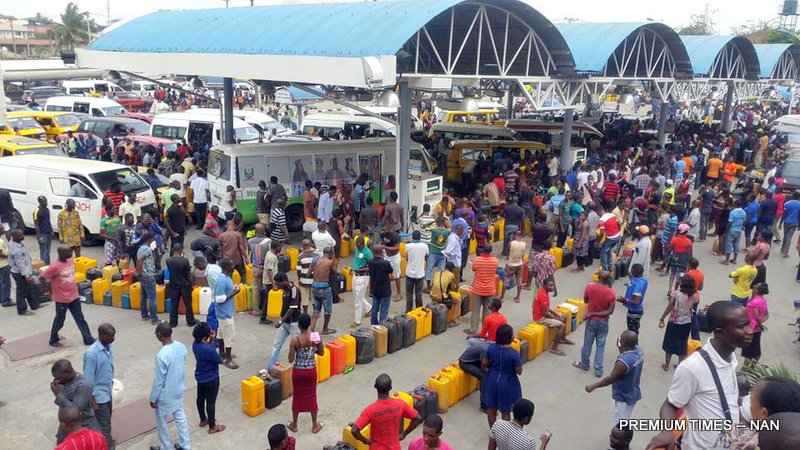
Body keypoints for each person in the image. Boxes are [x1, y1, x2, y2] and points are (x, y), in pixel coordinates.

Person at [646, 301, 753, 450]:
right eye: (742, 326)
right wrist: (667, 431)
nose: (750, 331)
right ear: (720, 332)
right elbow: (670, 405)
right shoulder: (693, 368)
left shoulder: (730, 358)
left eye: (748, 324)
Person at [585, 330, 644, 426]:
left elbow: (611, 379)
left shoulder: (622, 362)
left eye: (620, 339)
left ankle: (619, 439)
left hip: (622, 398)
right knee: (626, 419)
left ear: (623, 343)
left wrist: (593, 386)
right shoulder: (639, 351)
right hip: (633, 392)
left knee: (618, 424)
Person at [149, 322, 191, 450]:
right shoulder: (181, 347)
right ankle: (186, 445)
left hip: (165, 394)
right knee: (180, 417)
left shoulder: (162, 355)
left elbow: (158, 380)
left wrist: (153, 398)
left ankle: (166, 447)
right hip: (178, 388)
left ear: (160, 335)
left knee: (162, 421)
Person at [351, 373, 423, 449]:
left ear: (375, 387)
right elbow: (418, 418)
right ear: (391, 387)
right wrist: (404, 434)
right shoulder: (400, 404)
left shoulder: (369, 410)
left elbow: (354, 430)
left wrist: (365, 441)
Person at [43, 245, 95, 347]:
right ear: (61, 253)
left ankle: (88, 339)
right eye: (68, 252)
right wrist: (47, 292)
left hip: (74, 296)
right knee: (60, 320)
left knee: (80, 318)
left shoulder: (70, 261)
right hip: (62, 298)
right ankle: (53, 339)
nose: (71, 253)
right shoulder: (54, 266)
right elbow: (43, 277)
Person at [286, 313, 324, 433]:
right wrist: (311, 351)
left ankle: (294, 425)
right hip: (311, 372)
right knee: (312, 396)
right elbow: (321, 353)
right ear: (308, 325)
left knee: (297, 396)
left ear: (298, 325)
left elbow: (290, 359)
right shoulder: (315, 337)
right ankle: (314, 425)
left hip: (298, 372)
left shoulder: (295, 340)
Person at [574, 271, 616, 378]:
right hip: (604, 322)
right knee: (600, 346)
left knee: (587, 343)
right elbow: (610, 311)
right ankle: (598, 369)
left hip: (591, 320)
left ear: (598, 278)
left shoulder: (589, 287)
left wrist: (592, 312)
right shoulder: (611, 293)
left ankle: (585, 364)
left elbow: (586, 300)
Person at [51, 359, 100, 443]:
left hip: (83, 424)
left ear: (68, 372)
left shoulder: (83, 385)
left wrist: (58, 394)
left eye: (59, 378)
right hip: (66, 425)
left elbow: (75, 410)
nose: (56, 381)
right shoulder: (64, 382)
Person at [83, 324, 115, 449]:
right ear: (102, 335)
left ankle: (104, 442)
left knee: (106, 422)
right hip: (99, 397)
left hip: (108, 392)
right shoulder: (92, 354)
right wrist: (92, 400)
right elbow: (88, 380)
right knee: (104, 426)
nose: (113, 338)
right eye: (111, 336)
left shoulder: (109, 347)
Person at [659, 275, 698, 371]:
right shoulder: (694, 296)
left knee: (669, 342)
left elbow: (669, 308)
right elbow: (693, 308)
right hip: (686, 323)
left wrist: (662, 318)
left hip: (674, 322)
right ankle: (680, 365)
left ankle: (667, 365)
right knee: (682, 344)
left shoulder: (676, 294)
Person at [191, 322, 224, 435]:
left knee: (200, 398)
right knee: (211, 403)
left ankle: (203, 419)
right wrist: (213, 340)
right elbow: (218, 360)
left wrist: (211, 339)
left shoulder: (195, 344)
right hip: (211, 378)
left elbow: (207, 348)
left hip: (200, 377)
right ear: (205, 337)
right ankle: (212, 426)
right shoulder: (209, 350)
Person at [267, 272, 301, 370]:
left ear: (285, 281)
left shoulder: (294, 291)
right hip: (284, 323)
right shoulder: (284, 289)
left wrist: (281, 321)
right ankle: (270, 369)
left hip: (293, 324)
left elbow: (292, 309)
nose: (277, 286)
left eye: (278, 284)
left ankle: (299, 369)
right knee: (276, 345)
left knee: (299, 347)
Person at [532, 277, 572, 356]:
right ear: (545, 285)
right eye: (550, 286)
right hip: (540, 318)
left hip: (542, 314)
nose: (552, 287)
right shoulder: (543, 295)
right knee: (562, 325)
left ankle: (562, 339)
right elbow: (545, 313)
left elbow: (545, 308)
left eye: (553, 285)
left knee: (564, 317)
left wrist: (554, 313)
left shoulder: (543, 291)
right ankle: (554, 348)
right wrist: (557, 319)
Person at [214, 258, 240, 369]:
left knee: (221, 333)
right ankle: (228, 359)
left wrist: (233, 289)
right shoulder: (221, 280)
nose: (233, 266)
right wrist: (234, 293)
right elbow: (219, 298)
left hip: (225, 311)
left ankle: (221, 353)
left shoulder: (228, 278)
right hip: (224, 313)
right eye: (231, 265)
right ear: (226, 267)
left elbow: (226, 291)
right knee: (229, 336)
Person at [469, 243, 499, 334]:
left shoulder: (477, 260)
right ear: (491, 251)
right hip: (489, 289)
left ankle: (473, 330)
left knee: (475, 311)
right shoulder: (495, 261)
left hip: (477, 289)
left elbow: (474, 269)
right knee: (488, 311)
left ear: (482, 250)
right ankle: (485, 331)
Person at [166, 243, 197, 327]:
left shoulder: (168, 260)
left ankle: (173, 322)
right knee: (188, 304)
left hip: (174, 285)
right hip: (185, 285)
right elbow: (188, 273)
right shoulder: (185, 260)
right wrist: (192, 284)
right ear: (180, 250)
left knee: (174, 304)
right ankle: (190, 321)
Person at [9, 228, 39, 315]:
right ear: (14, 236)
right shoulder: (16, 250)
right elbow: (20, 264)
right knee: (21, 292)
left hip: (25, 270)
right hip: (20, 273)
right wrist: (27, 276)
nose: (23, 236)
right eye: (21, 235)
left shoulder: (16, 243)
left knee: (30, 289)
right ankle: (22, 310)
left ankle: (34, 305)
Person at [309, 246, 337, 334]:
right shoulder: (330, 262)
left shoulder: (315, 260)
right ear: (330, 254)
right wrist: (334, 260)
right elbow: (335, 272)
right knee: (327, 310)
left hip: (314, 287)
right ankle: (325, 329)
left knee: (316, 309)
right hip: (324, 288)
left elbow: (308, 273)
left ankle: (311, 329)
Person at [363, 244, 391, 325]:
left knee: (375, 308)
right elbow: (390, 271)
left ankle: (374, 325)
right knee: (384, 310)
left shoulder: (370, 262)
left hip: (375, 289)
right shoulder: (385, 263)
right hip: (385, 290)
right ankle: (382, 326)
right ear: (382, 252)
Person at [742, 283, 769, 365]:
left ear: (757, 290)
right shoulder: (763, 301)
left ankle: (744, 370)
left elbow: (756, 317)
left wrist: (759, 324)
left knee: (748, 352)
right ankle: (752, 368)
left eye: (755, 287)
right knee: (756, 349)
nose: (753, 287)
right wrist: (760, 324)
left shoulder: (754, 302)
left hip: (750, 328)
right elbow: (767, 315)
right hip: (757, 329)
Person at [247, 223, 271, 318]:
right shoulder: (269, 241)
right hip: (266, 269)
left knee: (256, 289)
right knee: (266, 288)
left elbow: (250, 253)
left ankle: (256, 310)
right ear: (264, 231)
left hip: (255, 268)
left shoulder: (250, 241)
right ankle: (266, 309)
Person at [137, 231, 160, 324]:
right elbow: (141, 260)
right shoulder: (147, 249)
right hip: (148, 275)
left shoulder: (141, 248)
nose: (154, 240)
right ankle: (154, 319)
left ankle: (144, 315)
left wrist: (154, 250)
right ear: (149, 240)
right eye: (152, 239)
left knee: (144, 295)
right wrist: (139, 271)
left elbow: (151, 260)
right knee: (152, 298)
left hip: (143, 275)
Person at [430, 261, 461, 328]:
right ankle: (453, 320)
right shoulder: (451, 275)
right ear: (452, 269)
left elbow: (433, 284)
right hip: (441, 297)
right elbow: (453, 287)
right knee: (458, 301)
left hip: (432, 295)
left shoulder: (437, 273)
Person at [619, 263, 647, 335]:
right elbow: (632, 277)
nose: (630, 272)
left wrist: (624, 300)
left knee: (632, 332)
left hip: (634, 312)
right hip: (638, 311)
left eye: (631, 270)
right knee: (634, 329)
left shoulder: (638, 286)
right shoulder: (643, 280)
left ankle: (633, 344)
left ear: (634, 272)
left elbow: (636, 301)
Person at [350, 236, 373, 328]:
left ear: (363, 244)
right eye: (357, 246)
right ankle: (369, 308)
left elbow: (371, 267)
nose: (358, 247)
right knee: (356, 295)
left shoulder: (368, 253)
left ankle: (357, 321)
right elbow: (356, 260)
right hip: (355, 275)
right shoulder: (357, 248)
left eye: (359, 246)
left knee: (358, 300)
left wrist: (362, 269)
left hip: (362, 277)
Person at [666, 223, 693, 296]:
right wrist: (689, 262)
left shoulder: (674, 239)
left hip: (675, 257)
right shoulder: (688, 241)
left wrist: (666, 256)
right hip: (683, 259)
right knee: (679, 275)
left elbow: (670, 249)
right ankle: (675, 290)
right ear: (686, 232)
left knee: (672, 273)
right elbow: (689, 254)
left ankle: (669, 289)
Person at [405, 230, 428, 312]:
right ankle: (419, 311)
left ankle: (409, 311)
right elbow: (426, 257)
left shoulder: (408, 246)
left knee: (409, 295)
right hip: (420, 274)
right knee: (419, 295)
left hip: (409, 274)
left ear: (412, 237)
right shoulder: (424, 246)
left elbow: (407, 258)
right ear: (420, 237)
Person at [260, 240, 281, 325]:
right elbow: (269, 271)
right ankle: (263, 317)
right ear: (276, 247)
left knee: (267, 299)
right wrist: (273, 283)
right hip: (269, 282)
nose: (280, 248)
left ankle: (264, 315)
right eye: (279, 247)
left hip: (268, 280)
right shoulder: (271, 257)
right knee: (267, 300)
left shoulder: (269, 253)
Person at [722, 199, 747, 265]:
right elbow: (744, 221)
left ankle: (727, 260)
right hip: (739, 230)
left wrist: (726, 232)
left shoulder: (732, 212)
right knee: (736, 244)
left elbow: (729, 223)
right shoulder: (744, 212)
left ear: (735, 204)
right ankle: (734, 259)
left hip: (732, 230)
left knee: (728, 244)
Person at [598, 204, 622, 272]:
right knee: (608, 251)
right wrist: (617, 231)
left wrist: (597, 242)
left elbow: (602, 232)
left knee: (603, 253)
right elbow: (619, 224)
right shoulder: (612, 215)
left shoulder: (602, 220)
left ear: (599, 211)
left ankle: (605, 270)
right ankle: (610, 267)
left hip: (611, 238)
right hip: (617, 236)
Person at [381, 230, 403, 302]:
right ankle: (385, 291)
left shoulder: (395, 236)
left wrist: (385, 248)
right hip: (386, 256)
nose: (382, 229)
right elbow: (384, 242)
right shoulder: (383, 234)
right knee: (384, 274)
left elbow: (397, 248)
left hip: (394, 257)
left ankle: (399, 293)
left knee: (396, 276)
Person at [296, 239, 316, 315]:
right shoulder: (317, 255)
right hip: (314, 280)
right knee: (315, 299)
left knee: (304, 299)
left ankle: (305, 313)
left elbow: (298, 270)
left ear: (303, 246)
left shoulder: (300, 256)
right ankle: (315, 312)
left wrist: (299, 280)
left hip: (304, 281)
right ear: (310, 245)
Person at [506, 230, 526, 302]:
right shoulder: (524, 244)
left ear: (514, 235)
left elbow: (507, 251)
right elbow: (523, 255)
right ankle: (518, 297)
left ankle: (502, 297)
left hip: (511, 264)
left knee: (506, 280)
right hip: (519, 264)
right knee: (519, 281)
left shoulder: (511, 243)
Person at [34, 195, 52, 264]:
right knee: (43, 250)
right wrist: (39, 236)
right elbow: (36, 225)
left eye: (46, 201)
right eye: (44, 201)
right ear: (40, 202)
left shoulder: (47, 209)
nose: (46, 202)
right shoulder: (37, 211)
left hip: (48, 232)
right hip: (42, 234)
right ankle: (44, 266)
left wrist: (51, 231)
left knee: (47, 250)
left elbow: (48, 221)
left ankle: (48, 265)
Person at [0, 232, 11, 307]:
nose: (3, 229)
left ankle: (2, 297)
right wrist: (6, 256)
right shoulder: (0, 241)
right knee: (6, 283)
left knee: (1, 282)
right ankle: (5, 300)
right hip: (3, 264)